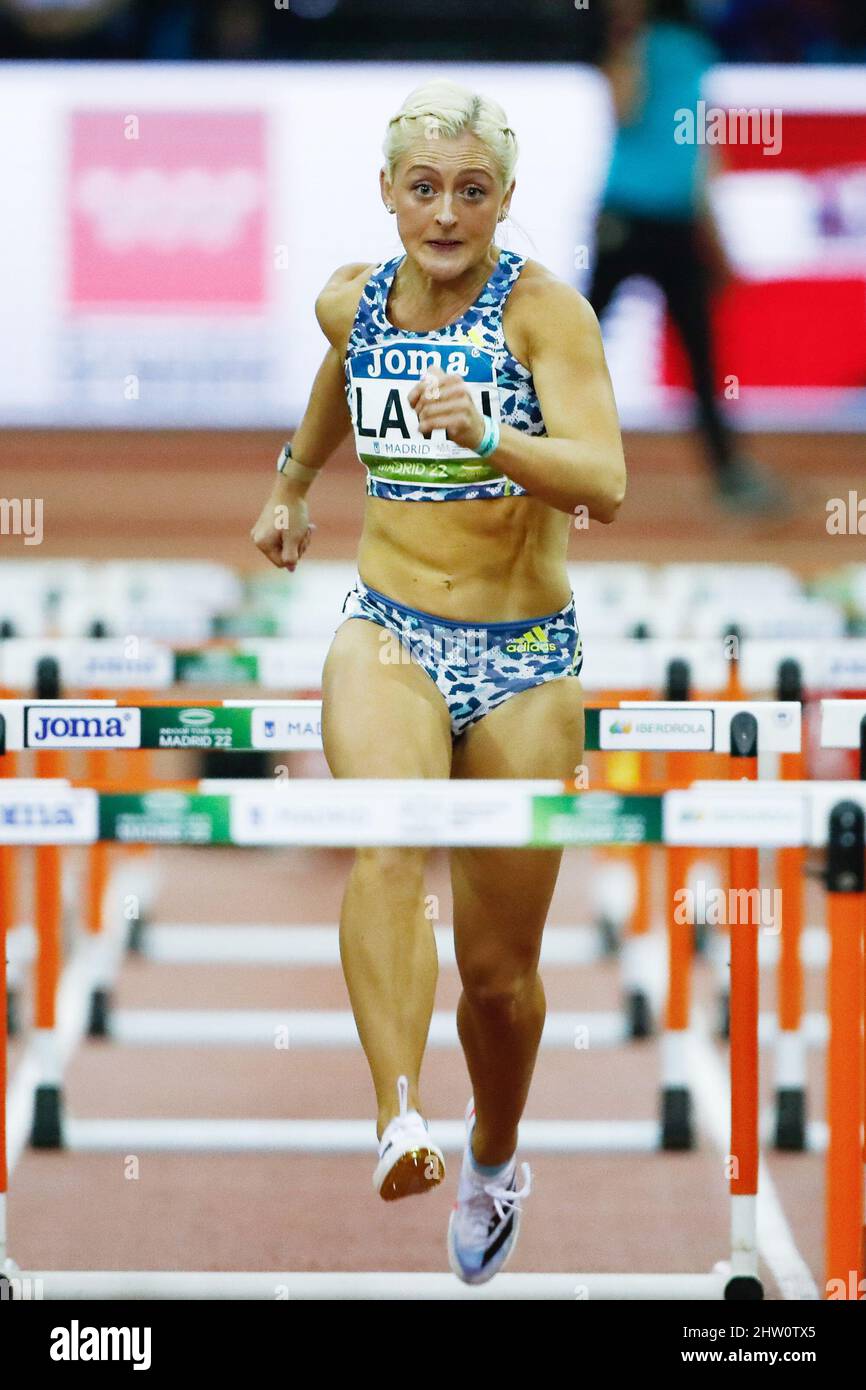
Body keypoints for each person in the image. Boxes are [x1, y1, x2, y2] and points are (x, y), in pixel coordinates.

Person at [251, 78, 626, 1285]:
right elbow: (336, 372)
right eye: (424, 189)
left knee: (499, 978)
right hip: (389, 627)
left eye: (472, 191)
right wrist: (293, 483)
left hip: (521, 658)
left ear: (505, 200)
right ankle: (397, 1118)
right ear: (388, 195)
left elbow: (603, 482)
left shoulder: (545, 318)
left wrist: (489, 436)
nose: (447, 212)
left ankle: (494, 1151)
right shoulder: (351, 300)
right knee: (384, 837)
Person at [590, 0, 785, 514]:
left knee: (699, 354)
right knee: (577, 339)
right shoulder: (662, 47)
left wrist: (714, 235)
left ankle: (730, 475)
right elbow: (628, 111)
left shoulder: (678, 49)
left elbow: (698, 147)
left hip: (671, 223)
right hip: (628, 217)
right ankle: (510, 452)